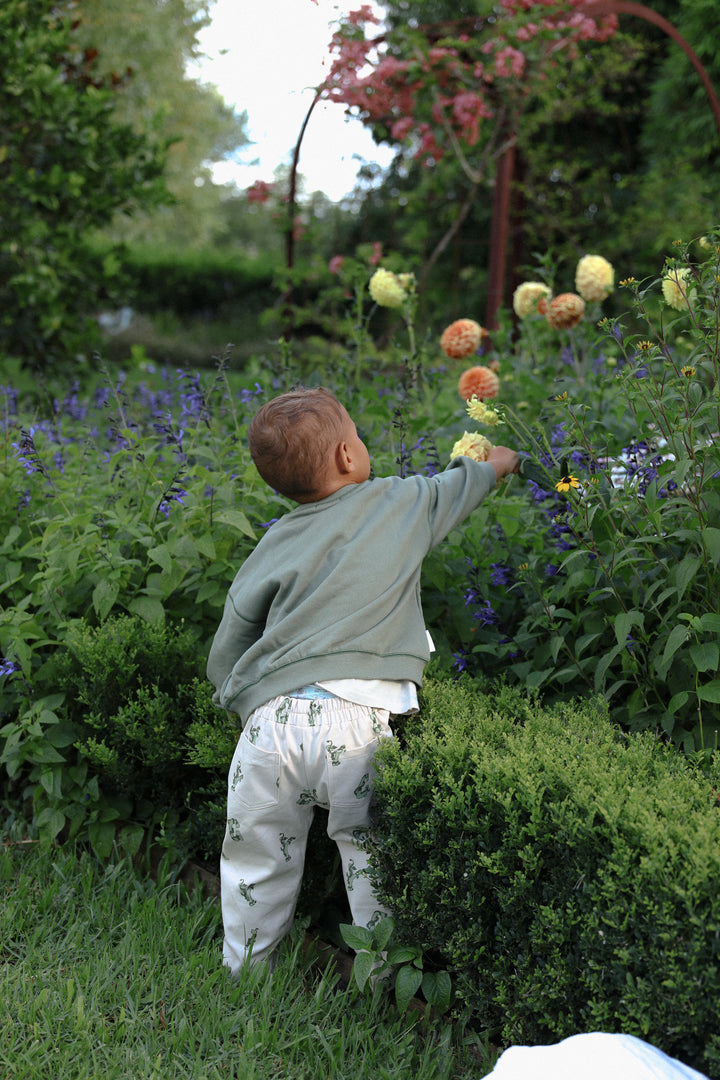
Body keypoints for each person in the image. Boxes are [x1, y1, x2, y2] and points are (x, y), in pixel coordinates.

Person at [207, 386, 519, 974]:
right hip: (357, 727)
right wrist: (501, 459)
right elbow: (468, 480)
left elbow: (235, 626)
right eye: (357, 434)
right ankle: (379, 976)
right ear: (349, 458)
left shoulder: (278, 538)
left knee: (257, 855)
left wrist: (235, 694)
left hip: (272, 724)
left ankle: (244, 971)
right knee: (370, 855)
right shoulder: (401, 503)